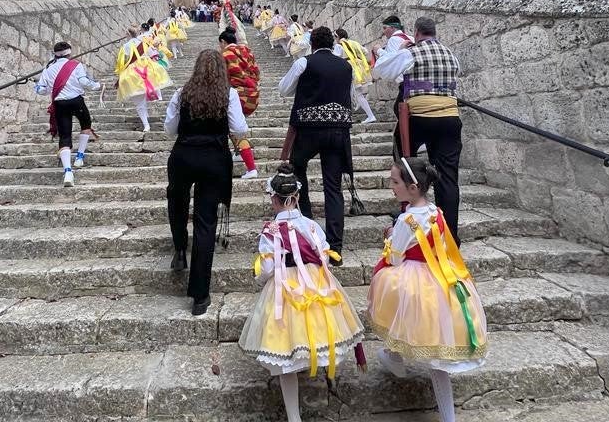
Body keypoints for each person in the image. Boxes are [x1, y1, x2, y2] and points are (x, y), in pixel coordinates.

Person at [238, 166, 366, 422]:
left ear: (273, 198)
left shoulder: (270, 231)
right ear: (297, 196)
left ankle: (294, 416)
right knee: (319, 328)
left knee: (285, 346)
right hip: (316, 284)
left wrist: (260, 280)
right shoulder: (311, 226)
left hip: (285, 288)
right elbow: (325, 257)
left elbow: (267, 267)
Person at [368, 155, 488, 422]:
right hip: (441, 277)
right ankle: (394, 358)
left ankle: (395, 358)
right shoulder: (437, 212)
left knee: (401, 307)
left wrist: (389, 238)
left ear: (412, 188)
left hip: (416, 281)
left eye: (395, 181)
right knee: (429, 339)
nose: (391, 185)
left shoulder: (406, 220)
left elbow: (396, 257)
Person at [166, 49, 249, 315]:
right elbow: (239, 129)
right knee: (206, 221)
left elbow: (170, 128)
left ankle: (180, 248)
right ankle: (200, 296)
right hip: (214, 157)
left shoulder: (182, 93)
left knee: (177, 202)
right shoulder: (230, 94)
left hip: (184, 154)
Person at [372, 16, 464, 244]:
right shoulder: (451, 55)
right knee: (449, 177)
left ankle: (410, 211)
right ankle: (450, 235)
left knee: (404, 161)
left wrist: (400, 49)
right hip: (450, 117)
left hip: (419, 117)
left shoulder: (411, 52)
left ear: (416, 32)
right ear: (434, 32)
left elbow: (382, 70)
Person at [278, 26, 354, 261]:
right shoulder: (346, 66)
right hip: (336, 132)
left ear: (312, 44)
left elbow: (284, 90)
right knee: (333, 188)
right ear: (332, 44)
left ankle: (309, 228)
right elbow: (350, 98)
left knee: (298, 173)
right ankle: (336, 247)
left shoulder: (304, 63)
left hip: (308, 131)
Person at [33, 41, 102, 187]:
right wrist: (96, 86)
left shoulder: (48, 69)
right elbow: (83, 81)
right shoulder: (76, 65)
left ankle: (68, 172)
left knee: (64, 136)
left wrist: (40, 87)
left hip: (60, 104)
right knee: (86, 125)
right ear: (69, 53)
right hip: (76, 101)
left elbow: (41, 90)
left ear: (55, 54)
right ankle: (79, 157)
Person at [220, 28, 261, 179]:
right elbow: (256, 72)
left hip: (237, 95)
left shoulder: (225, 54)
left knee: (236, 130)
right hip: (252, 94)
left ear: (223, 42)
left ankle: (251, 168)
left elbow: (222, 76)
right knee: (232, 125)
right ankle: (238, 152)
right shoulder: (247, 51)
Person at [115, 26, 172, 133]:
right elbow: (153, 54)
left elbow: (122, 62)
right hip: (147, 69)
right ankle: (149, 118)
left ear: (128, 34)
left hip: (133, 74)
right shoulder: (145, 42)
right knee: (142, 99)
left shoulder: (125, 46)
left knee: (138, 102)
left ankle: (146, 125)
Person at [333, 28, 376, 124]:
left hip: (348, 69)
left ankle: (370, 115)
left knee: (356, 93)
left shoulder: (338, 46)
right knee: (355, 92)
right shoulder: (354, 42)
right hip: (359, 68)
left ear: (337, 36)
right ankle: (355, 108)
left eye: (335, 37)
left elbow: (335, 58)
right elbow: (365, 51)